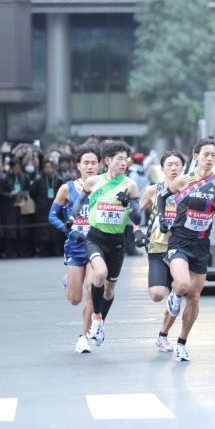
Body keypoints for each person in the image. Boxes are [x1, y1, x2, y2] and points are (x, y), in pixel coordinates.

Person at [160, 139, 215, 361]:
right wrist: (164, 218)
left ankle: (182, 342)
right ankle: (174, 293)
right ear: (196, 156)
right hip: (180, 241)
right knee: (182, 284)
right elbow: (162, 197)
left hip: (202, 245)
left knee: (194, 297)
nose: (209, 159)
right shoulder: (184, 180)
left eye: (213, 155)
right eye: (205, 154)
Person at [67, 140, 145, 348]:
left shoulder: (130, 185)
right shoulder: (93, 182)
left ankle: (99, 323)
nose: (124, 163)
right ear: (108, 161)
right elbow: (78, 204)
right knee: (99, 274)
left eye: (126, 159)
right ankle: (97, 317)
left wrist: (127, 203)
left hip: (117, 242)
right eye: (119, 159)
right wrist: (73, 220)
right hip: (95, 238)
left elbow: (137, 217)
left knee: (109, 290)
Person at [48, 144, 100, 353]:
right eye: (86, 163)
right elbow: (52, 216)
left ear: (100, 165)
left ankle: (84, 336)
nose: (90, 167)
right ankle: (68, 281)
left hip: (96, 245)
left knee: (92, 290)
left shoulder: (105, 187)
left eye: (93, 163)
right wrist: (69, 232)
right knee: (74, 299)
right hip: (75, 246)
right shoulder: (66, 188)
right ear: (78, 165)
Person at [139, 150, 185, 353]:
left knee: (179, 290)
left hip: (182, 246)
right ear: (163, 168)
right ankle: (172, 295)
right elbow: (134, 213)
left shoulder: (190, 189)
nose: (174, 168)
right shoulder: (153, 190)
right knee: (157, 294)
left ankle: (163, 336)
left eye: (177, 164)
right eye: (170, 164)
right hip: (158, 246)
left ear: (183, 167)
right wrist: (134, 231)